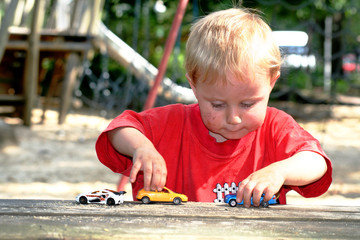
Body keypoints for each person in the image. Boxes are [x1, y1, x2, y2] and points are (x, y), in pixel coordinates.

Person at [96, 7, 332, 207]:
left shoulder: (275, 128)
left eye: (248, 104)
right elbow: (119, 129)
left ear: (272, 83)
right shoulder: (172, 123)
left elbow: (316, 161)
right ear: (194, 86)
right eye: (218, 104)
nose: (234, 118)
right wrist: (142, 148)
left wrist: (279, 172)